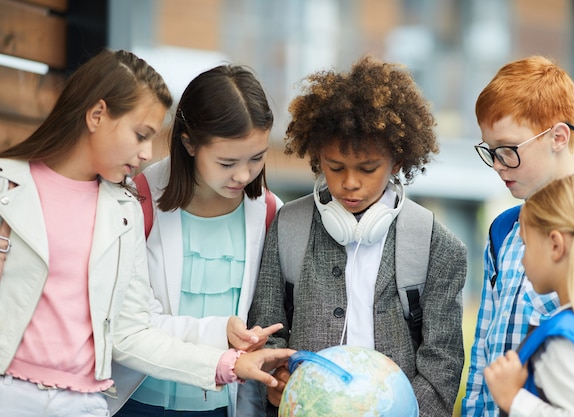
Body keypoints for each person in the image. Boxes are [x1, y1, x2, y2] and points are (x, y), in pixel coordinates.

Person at [0, 49, 294, 417]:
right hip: (96, 396)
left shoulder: (122, 206)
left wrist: (229, 360)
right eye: (140, 135)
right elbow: (133, 326)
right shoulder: (127, 197)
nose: (145, 153)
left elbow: (129, 328)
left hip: (114, 401)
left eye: (256, 158)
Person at [247, 55, 468, 417]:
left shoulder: (437, 246)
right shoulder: (288, 226)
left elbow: (442, 362)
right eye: (335, 168)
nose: (350, 183)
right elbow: (268, 327)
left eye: (367, 169)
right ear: (318, 158)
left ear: (397, 161)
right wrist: (275, 376)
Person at [113, 64, 283, 417]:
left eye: (256, 158)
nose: (243, 174)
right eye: (226, 162)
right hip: (135, 399)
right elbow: (133, 323)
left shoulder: (269, 212)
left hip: (226, 403)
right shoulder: (135, 201)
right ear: (189, 143)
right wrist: (221, 331)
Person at [462, 55, 574, 417]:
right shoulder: (504, 229)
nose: (499, 164)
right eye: (491, 151)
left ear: (558, 137)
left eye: (509, 149)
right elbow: (483, 352)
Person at [484, 174, 574, 416]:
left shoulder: (565, 340)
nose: (523, 258)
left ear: (556, 245)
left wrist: (512, 398)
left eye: (526, 245)